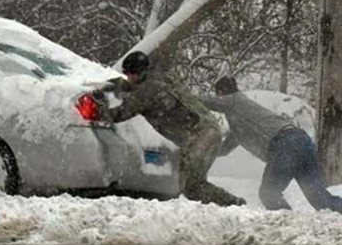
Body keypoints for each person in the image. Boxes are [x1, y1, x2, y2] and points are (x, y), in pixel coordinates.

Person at [104, 51, 245, 206]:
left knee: (192, 187)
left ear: (139, 73)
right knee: (191, 183)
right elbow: (132, 86)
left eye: (130, 74)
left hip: (201, 136)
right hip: (206, 130)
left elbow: (119, 114)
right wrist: (111, 84)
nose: (128, 78)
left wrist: (95, 107)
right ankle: (224, 207)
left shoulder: (147, 91)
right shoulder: (161, 78)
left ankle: (234, 204)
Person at [202, 76, 342, 213]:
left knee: (269, 194)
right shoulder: (239, 124)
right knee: (320, 198)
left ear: (221, 93)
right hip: (301, 141)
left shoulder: (235, 100)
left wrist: (189, 100)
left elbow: (206, 102)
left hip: (285, 144)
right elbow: (224, 149)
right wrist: (201, 151)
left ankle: (288, 223)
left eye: (218, 95)